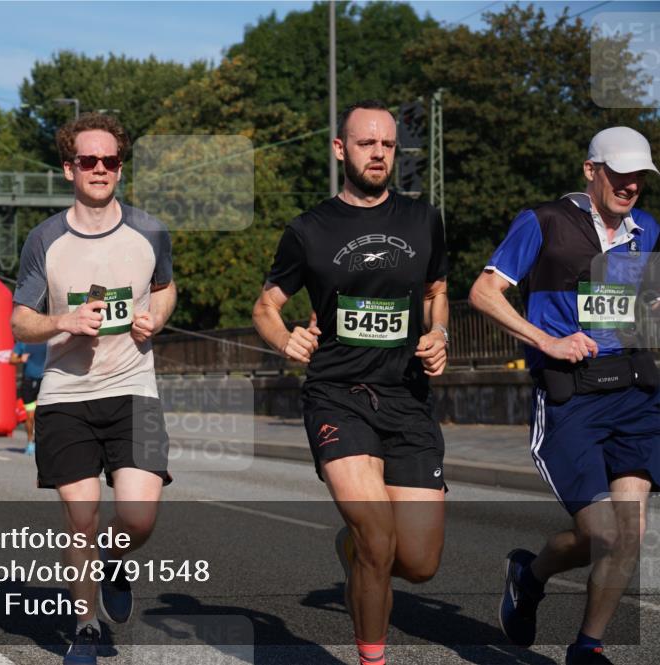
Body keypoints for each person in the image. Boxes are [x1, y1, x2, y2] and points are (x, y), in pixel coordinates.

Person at [253, 100, 449, 665]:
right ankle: (371, 658)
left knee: (418, 562)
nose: (379, 154)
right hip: (337, 394)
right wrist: (283, 337)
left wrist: (439, 335)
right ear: (341, 149)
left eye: (388, 145)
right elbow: (266, 304)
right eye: (367, 144)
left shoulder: (423, 219)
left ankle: (352, 546)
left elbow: (437, 292)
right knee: (378, 538)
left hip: (406, 396)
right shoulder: (309, 230)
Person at [469, 126, 660, 665]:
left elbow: (636, 305)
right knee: (600, 532)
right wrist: (547, 339)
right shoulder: (543, 222)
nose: (629, 186)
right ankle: (529, 576)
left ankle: (587, 647)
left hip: (634, 392)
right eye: (619, 174)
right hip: (571, 397)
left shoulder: (647, 229)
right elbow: (483, 293)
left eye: (638, 177)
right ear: (590, 170)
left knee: (630, 533)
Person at [12, 112, 177, 665]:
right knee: (81, 518)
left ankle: (114, 559)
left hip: (135, 388)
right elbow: (19, 322)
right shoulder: (46, 240)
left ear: (120, 167)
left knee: (138, 517)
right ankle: (84, 628)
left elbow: (166, 287)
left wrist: (156, 315)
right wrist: (64, 321)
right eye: (89, 160)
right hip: (66, 395)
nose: (100, 169)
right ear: (69, 168)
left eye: (110, 160)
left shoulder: (149, 229)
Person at [10, 341, 47, 455]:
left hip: (45, 380)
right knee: (30, 417)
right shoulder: (24, 342)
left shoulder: (48, 339)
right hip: (29, 382)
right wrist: (21, 359)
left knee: (43, 415)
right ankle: (30, 442)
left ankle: (43, 443)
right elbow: (11, 359)